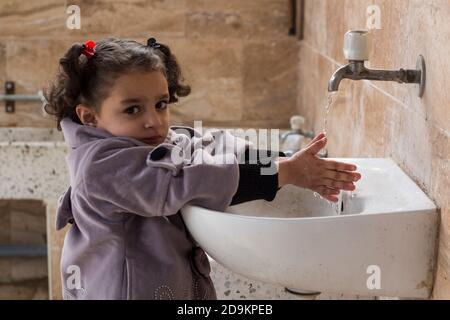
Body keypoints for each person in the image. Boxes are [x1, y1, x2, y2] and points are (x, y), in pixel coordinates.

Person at [44, 37, 361, 300]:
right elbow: (180, 182)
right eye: (132, 109)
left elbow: (206, 145)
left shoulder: (152, 139)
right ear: (90, 117)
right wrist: (286, 173)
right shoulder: (100, 167)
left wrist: (285, 160)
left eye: (161, 103)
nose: (153, 120)